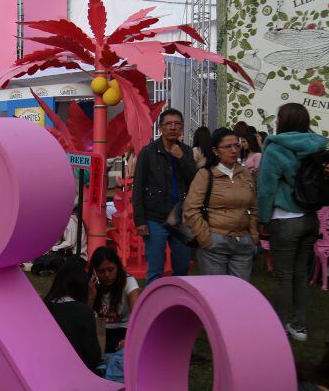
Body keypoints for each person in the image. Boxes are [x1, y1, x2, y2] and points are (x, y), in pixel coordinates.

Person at [257, 103, 329, 342]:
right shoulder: (316, 145)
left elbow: (266, 188)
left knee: (283, 276)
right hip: (310, 218)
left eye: (278, 118)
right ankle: (300, 326)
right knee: (300, 274)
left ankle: (280, 325)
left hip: (284, 219)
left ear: (284, 121)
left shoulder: (275, 148)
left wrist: (263, 219)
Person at [133, 108, 198, 284]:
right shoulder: (148, 152)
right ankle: (151, 308)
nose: (172, 127)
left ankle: (179, 304)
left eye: (177, 124)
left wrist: (182, 158)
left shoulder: (187, 151)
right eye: (168, 124)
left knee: (183, 267)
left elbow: (196, 180)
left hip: (180, 217)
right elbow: (137, 187)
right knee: (155, 269)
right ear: (160, 127)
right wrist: (140, 220)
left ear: (182, 128)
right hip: (154, 218)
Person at [184, 128, 259, 279]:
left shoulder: (245, 174)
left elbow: (253, 206)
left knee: (240, 293)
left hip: (243, 242)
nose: (233, 150)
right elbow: (191, 209)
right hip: (215, 241)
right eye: (227, 147)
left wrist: (253, 235)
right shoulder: (205, 174)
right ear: (215, 151)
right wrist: (206, 238)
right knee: (217, 293)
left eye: (236, 145)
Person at [43, 257, 101, 370]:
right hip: (77, 373)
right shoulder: (83, 312)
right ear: (82, 284)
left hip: (44, 370)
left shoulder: (41, 307)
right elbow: (94, 356)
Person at [87, 247, 141, 355]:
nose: (107, 275)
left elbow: (138, 316)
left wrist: (128, 339)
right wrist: (91, 297)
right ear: (94, 272)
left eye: (111, 269)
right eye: (101, 271)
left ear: (118, 267)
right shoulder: (91, 285)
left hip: (124, 329)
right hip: (100, 330)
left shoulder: (128, 282)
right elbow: (85, 318)